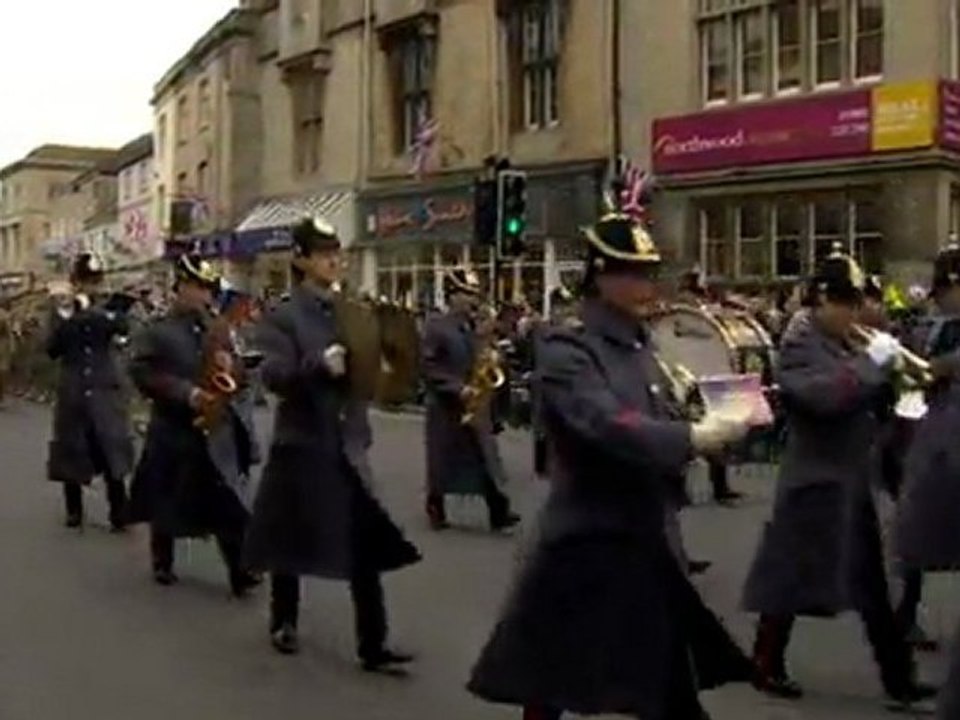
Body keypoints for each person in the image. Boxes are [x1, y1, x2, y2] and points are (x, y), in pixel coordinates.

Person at [468, 212, 757, 720]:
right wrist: (689, 436)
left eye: (649, 271)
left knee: (667, 687)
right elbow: (604, 422)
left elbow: (656, 413)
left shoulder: (644, 343)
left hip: (642, 536)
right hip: (586, 539)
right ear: (602, 276)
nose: (646, 283)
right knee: (551, 679)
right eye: (633, 272)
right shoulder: (567, 344)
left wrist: (713, 415)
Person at [741, 247, 934, 710]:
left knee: (873, 587)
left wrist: (896, 375)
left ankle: (899, 680)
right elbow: (824, 396)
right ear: (821, 300)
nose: (854, 311)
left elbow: (876, 394)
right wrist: (874, 366)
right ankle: (765, 662)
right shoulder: (799, 341)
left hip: (851, 474)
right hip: (814, 478)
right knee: (789, 578)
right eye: (845, 303)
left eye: (855, 302)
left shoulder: (848, 338)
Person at [244, 217, 421, 668]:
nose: (334, 261)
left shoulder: (354, 312)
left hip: (348, 442)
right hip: (302, 440)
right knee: (290, 535)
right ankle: (283, 619)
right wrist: (317, 366)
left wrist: (396, 355)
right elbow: (272, 375)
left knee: (365, 539)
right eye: (324, 254)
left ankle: (373, 643)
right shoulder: (283, 315)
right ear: (300, 259)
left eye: (336, 253)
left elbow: (378, 373)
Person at [127, 254, 259, 596]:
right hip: (174, 427)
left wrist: (235, 368)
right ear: (181, 287)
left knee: (227, 500)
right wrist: (186, 393)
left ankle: (240, 568)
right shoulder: (158, 330)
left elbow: (240, 372)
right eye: (198, 288)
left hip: (213, 428)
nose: (204, 296)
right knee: (166, 496)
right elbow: (143, 372)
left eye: (208, 289)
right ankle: (162, 559)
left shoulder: (218, 329)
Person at [896, 243, 960, 657]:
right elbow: (911, 378)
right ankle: (904, 615)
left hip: (942, 436)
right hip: (934, 437)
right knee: (919, 532)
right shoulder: (930, 325)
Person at [422, 268, 520, 532]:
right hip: (447, 406)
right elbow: (429, 366)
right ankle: (436, 506)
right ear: (452, 296)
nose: (472, 300)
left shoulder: (473, 326)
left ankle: (499, 511)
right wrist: (455, 387)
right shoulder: (436, 325)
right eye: (466, 294)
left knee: (485, 457)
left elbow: (483, 358)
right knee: (443, 461)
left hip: (475, 402)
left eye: (474, 295)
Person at [46, 253, 134, 531]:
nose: (90, 287)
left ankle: (119, 512)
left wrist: (94, 310)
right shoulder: (63, 310)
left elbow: (121, 329)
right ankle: (74, 510)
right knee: (72, 449)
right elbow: (51, 348)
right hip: (73, 388)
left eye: (94, 282)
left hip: (104, 387)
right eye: (85, 282)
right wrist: (69, 315)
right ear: (75, 282)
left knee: (111, 450)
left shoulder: (109, 308)